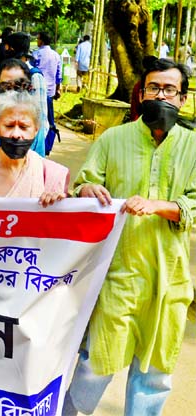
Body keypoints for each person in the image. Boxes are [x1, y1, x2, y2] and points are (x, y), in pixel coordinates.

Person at [63, 58, 195, 416]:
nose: (161, 95)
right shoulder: (113, 138)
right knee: (97, 361)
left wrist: (160, 206)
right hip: (119, 273)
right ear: (141, 93)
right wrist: (87, 187)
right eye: (154, 87)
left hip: (170, 276)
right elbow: (84, 182)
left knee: (156, 368)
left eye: (170, 90)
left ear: (183, 98)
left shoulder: (193, 145)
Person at [0, 90, 68, 205]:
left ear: (36, 130)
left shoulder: (49, 175)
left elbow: (57, 221)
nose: (16, 134)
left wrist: (56, 203)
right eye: (9, 126)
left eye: (24, 127)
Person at [32, 32, 61, 155]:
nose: (37, 41)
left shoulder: (36, 54)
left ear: (41, 41)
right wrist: (58, 89)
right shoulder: (56, 55)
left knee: (37, 118)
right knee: (49, 119)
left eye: (38, 39)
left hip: (38, 92)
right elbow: (58, 75)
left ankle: (38, 146)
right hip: (50, 92)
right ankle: (47, 145)